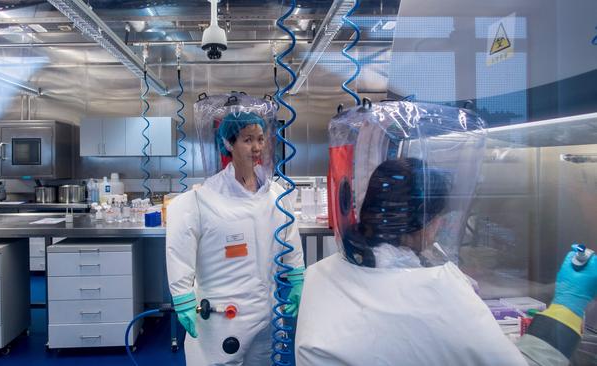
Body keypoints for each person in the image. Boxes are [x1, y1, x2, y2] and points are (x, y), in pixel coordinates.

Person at [295, 157, 597, 366]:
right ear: (425, 222)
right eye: (439, 217)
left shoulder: (321, 273)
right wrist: (569, 304)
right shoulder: (436, 291)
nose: (440, 226)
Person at [166, 110, 305, 366]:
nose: (256, 148)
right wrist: (182, 296)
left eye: (261, 139)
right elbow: (179, 248)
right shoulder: (203, 199)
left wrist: (297, 277)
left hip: (267, 312)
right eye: (247, 139)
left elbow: (290, 238)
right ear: (229, 144)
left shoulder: (276, 194)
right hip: (223, 317)